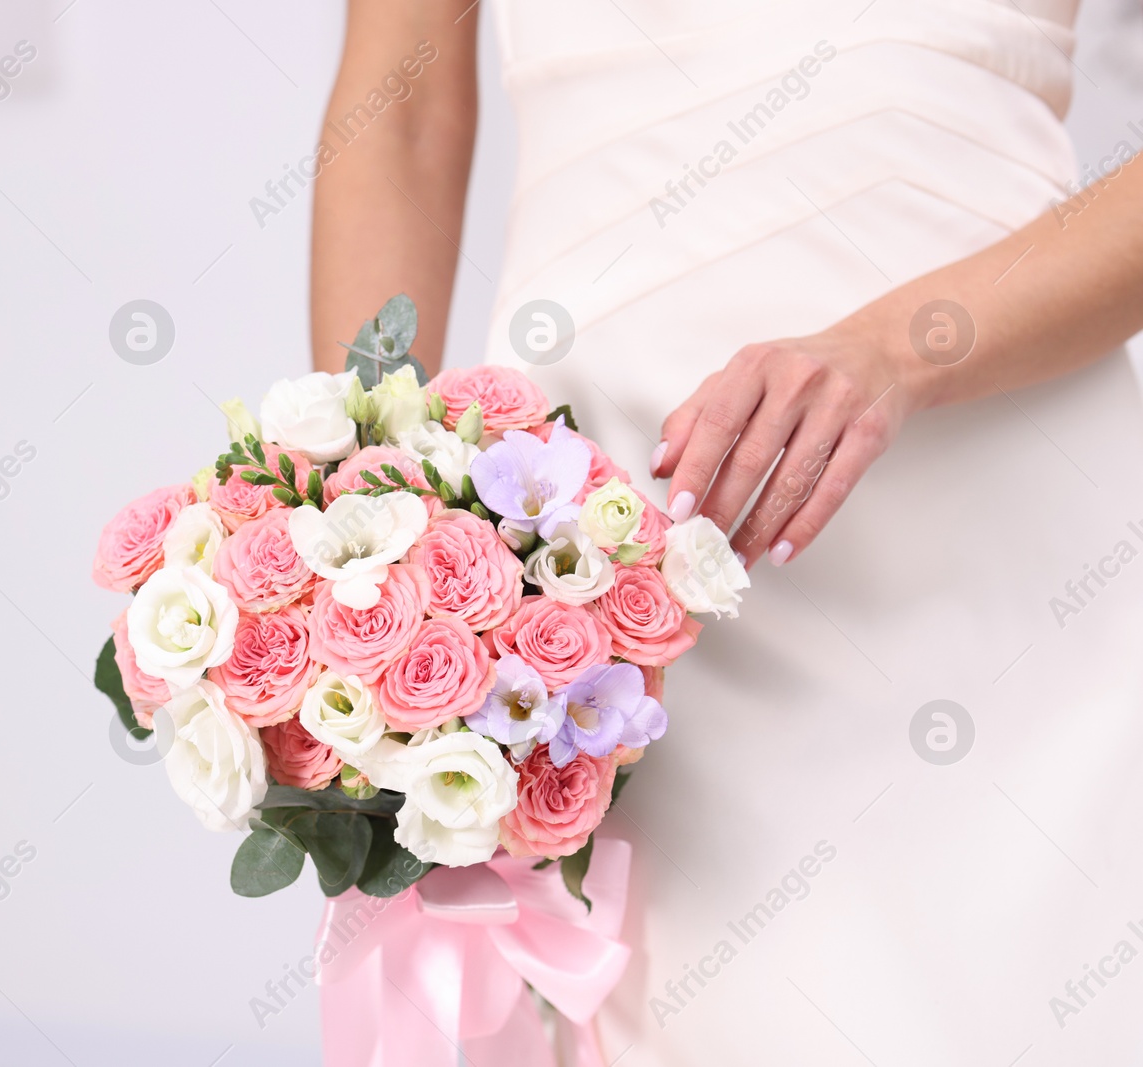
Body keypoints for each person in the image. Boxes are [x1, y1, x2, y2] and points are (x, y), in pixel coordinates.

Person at [312, 1, 1143, 1061]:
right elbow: (403, 110)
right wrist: (358, 509)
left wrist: (898, 348)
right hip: (605, 542)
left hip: (1005, 526)